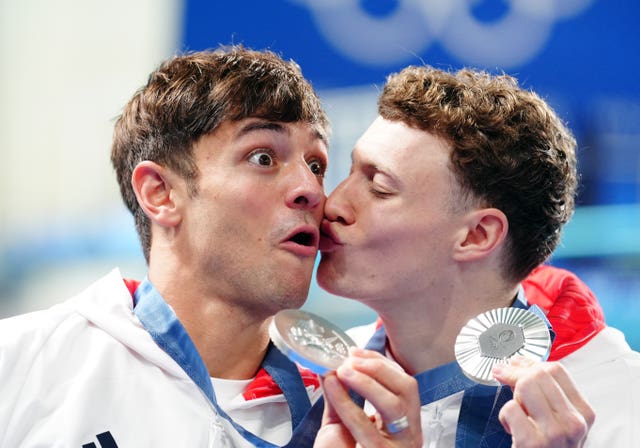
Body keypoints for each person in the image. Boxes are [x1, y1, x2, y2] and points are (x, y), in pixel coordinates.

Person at [0, 46, 421, 448]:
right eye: (263, 158)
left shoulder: (346, 417)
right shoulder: (23, 364)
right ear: (160, 193)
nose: (311, 189)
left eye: (316, 165)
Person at [317, 65, 640, 447]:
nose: (333, 203)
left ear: (476, 235)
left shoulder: (619, 403)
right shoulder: (318, 382)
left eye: (380, 187)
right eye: (350, 172)